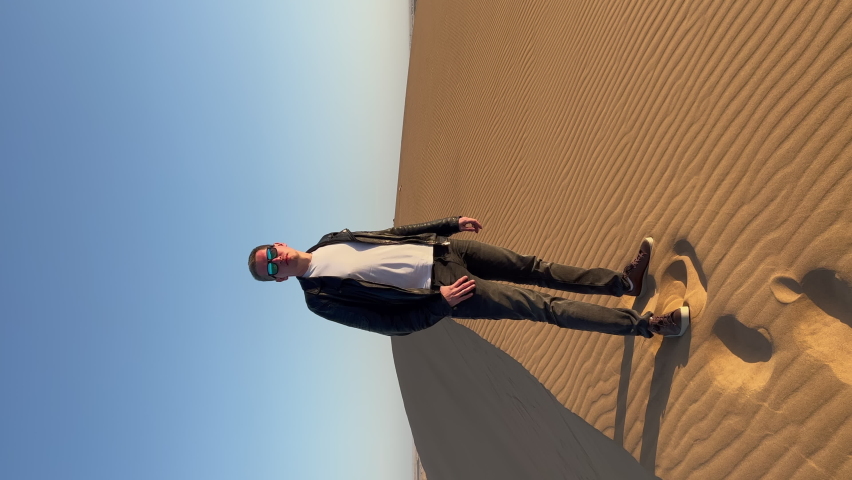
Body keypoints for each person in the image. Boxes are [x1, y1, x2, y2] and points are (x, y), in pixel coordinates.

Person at [247, 216, 690, 338]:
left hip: (447, 250)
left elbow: (392, 236)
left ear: (279, 243)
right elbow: (390, 325)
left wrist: (448, 224)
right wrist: (442, 303)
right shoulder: (320, 299)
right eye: (270, 268)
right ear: (278, 280)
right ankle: (648, 326)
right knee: (543, 308)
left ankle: (621, 284)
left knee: (535, 268)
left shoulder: (329, 240)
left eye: (271, 253)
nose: (276, 261)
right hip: (450, 292)